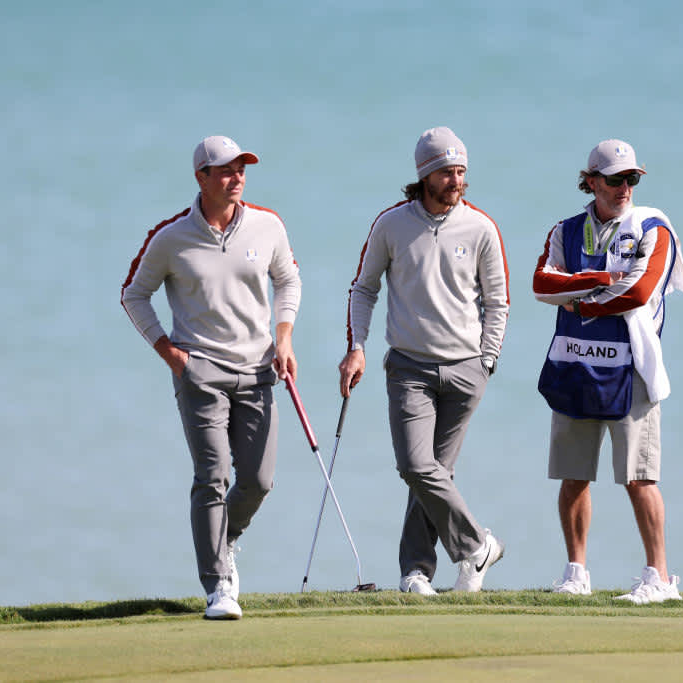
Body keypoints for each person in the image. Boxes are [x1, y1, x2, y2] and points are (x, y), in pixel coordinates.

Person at [121, 135, 302, 619]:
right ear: (201, 177)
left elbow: (288, 279)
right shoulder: (171, 236)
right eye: (225, 170)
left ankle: (227, 538)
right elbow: (133, 294)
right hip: (200, 373)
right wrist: (170, 353)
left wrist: (283, 337)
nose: (236, 177)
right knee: (212, 476)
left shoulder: (267, 226)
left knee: (259, 481)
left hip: (258, 370)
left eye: (241, 168)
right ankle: (219, 584)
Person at [339, 126, 510, 595]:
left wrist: (488, 359)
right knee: (417, 466)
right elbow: (364, 289)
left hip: (467, 368)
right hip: (409, 367)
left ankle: (416, 572)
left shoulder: (480, 228)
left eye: (460, 171)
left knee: (436, 472)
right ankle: (477, 546)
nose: (455, 181)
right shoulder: (391, 225)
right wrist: (358, 346)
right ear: (424, 175)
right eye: (446, 172)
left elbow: (498, 301)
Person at [532, 139, 683, 603]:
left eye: (632, 179)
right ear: (592, 181)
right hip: (575, 362)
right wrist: (595, 282)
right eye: (616, 179)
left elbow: (640, 291)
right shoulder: (566, 229)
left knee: (640, 477)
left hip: (633, 368)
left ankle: (659, 578)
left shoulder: (653, 227)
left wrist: (576, 299)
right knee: (574, 475)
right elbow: (542, 284)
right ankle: (576, 573)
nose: (625, 187)